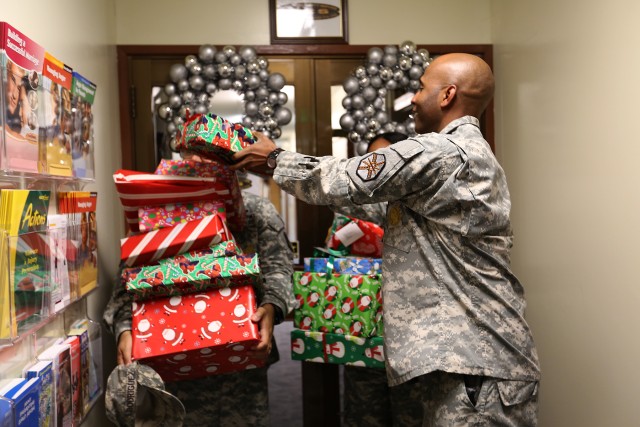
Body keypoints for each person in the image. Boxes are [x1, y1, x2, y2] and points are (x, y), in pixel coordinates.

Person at [232, 53, 541, 426]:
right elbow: (383, 211)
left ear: (447, 95)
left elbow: (344, 179)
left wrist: (275, 158)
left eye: (421, 87)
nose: (412, 97)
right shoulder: (468, 155)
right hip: (470, 364)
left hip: (475, 370)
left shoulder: (440, 151)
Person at [103, 160, 296, 427]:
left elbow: (278, 269)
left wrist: (272, 306)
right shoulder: (159, 215)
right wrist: (125, 330)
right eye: (192, 159)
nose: (200, 166)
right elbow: (127, 287)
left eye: (210, 159)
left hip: (243, 367)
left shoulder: (256, 212)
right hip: (177, 369)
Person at [334, 132, 423, 427]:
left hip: (415, 344)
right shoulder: (354, 203)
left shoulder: (424, 203)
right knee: (364, 418)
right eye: (372, 159)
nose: (379, 165)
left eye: (386, 158)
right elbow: (335, 255)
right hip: (364, 333)